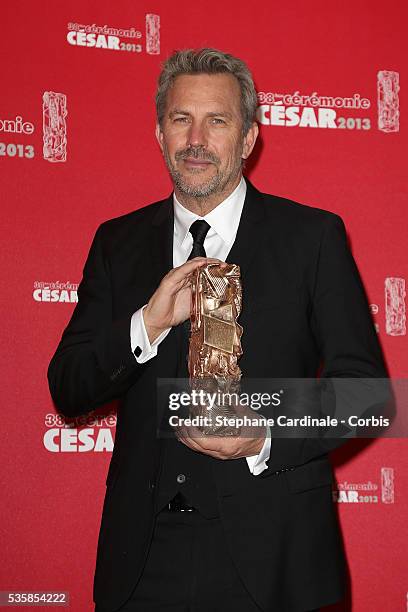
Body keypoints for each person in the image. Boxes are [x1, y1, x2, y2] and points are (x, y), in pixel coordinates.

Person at [48, 48, 388, 612]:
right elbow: (68, 386)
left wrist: (264, 436)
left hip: (275, 559)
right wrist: (148, 324)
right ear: (160, 134)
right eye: (181, 119)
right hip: (142, 562)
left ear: (249, 137)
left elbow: (368, 394)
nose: (196, 139)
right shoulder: (117, 243)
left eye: (218, 120)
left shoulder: (313, 238)